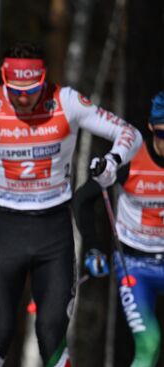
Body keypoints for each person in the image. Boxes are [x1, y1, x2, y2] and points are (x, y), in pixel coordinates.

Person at [0, 41, 143, 366]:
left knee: (51, 332)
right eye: (14, 90)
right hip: (5, 231)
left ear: (44, 80)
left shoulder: (66, 101)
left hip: (54, 232)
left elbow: (130, 134)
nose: (23, 98)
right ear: (4, 79)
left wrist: (112, 160)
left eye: (32, 89)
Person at [74, 91, 164, 367]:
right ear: (151, 127)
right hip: (134, 265)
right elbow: (82, 199)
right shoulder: (131, 158)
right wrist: (93, 246)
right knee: (149, 344)